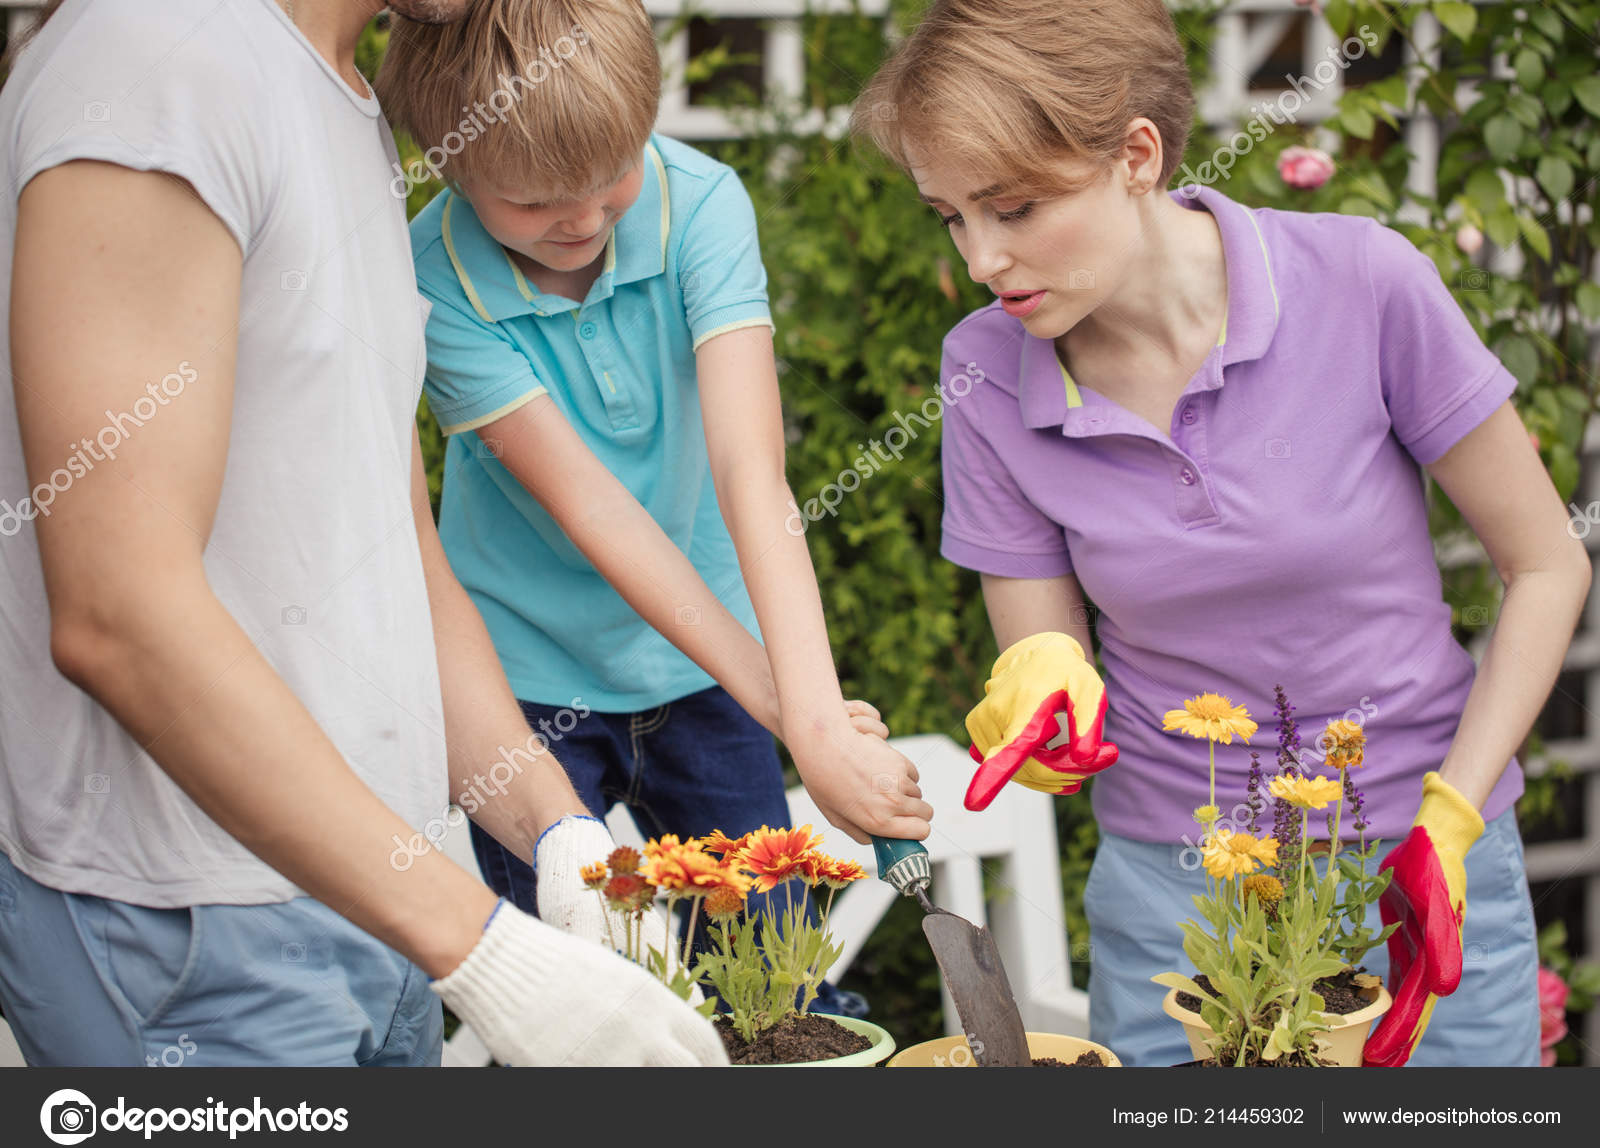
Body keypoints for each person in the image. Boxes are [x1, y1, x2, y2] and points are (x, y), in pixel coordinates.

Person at [852, 0, 1589, 1066]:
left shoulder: (1362, 284)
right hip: (1176, 892)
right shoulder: (983, 370)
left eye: (1011, 207)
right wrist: (1045, 688)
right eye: (951, 217)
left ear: (1135, 153)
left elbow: (1544, 562)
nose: (980, 258)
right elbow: (1042, 640)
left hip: (1416, 870)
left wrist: (1455, 819)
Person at [0, 0, 722, 1068]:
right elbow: (120, 614)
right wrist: (481, 949)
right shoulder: (162, 61)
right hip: (198, 930)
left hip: (378, 905)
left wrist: (554, 830)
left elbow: (389, 549)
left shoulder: (339, 96)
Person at [373, 0, 932, 942]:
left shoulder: (703, 205)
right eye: (539, 201)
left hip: (706, 669)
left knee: (769, 962)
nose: (585, 218)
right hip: (532, 683)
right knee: (568, 968)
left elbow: (750, 467)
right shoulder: (431, 279)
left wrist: (816, 710)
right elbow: (595, 508)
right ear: (453, 162)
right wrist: (798, 715)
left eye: (612, 175)